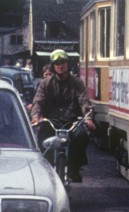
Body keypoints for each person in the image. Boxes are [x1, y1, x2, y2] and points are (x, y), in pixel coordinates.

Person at [30, 49, 95, 182]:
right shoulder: (45, 83)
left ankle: (74, 168)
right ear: (53, 65)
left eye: (63, 62)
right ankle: (46, 170)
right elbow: (38, 101)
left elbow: (84, 101)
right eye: (57, 63)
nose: (60, 65)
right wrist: (36, 117)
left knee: (82, 136)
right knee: (43, 138)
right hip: (51, 121)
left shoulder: (77, 83)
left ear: (68, 64)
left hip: (71, 121)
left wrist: (88, 119)